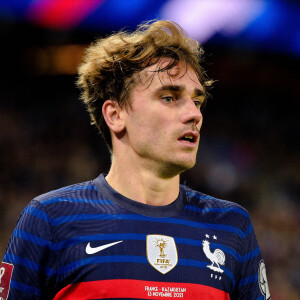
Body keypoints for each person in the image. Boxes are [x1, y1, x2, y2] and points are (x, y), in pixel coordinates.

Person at [0, 20, 270, 299]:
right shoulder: (50, 219)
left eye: (197, 101)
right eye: (169, 97)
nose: (194, 114)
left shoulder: (232, 226)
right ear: (116, 115)